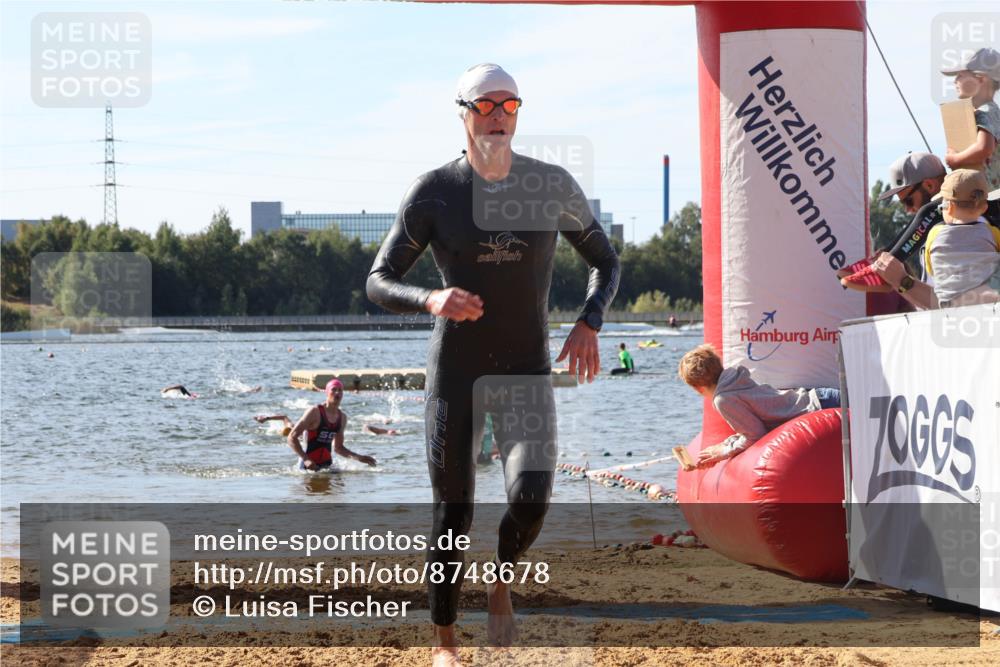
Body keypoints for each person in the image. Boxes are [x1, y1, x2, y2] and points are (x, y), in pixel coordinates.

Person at [366, 63, 619, 666]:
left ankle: (501, 580)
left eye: (509, 104)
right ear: (463, 113)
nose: (499, 115)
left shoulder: (550, 184)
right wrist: (430, 298)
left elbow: (604, 261)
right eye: (485, 105)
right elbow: (378, 281)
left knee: (532, 497)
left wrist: (589, 321)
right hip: (457, 371)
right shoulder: (435, 192)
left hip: (525, 371)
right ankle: (445, 647)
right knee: (453, 512)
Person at [677, 344, 840, 469]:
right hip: (822, 398)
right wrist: (725, 445)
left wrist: (723, 453)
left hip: (820, 408)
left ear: (698, 388)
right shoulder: (733, 379)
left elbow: (755, 435)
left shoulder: (723, 399)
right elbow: (758, 424)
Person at [286, 378, 376, 470]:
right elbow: (291, 437)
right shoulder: (314, 412)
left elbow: (338, 448)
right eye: (333, 389)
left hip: (327, 465)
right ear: (327, 392)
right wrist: (305, 459)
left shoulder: (342, 418)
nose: (337, 393)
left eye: (340, 390)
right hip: (307, 466)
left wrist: (359, 458)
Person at [942, 48, 1000, 189]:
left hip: (991, 196)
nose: (955, 80)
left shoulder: (985, 111)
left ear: (980, 79)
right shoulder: (993, 111)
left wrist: (956, 159)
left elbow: (984, 147)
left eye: (961, 75)